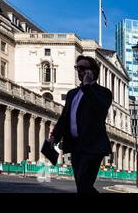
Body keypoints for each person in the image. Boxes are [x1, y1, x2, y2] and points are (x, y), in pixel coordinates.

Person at [48, 55, 113, 194]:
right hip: (75, 146)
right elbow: (64, 118)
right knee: (82, 186)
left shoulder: (104, 92)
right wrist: (54, 136)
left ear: (93, 71)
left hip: (93, 146)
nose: (79, 71)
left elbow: (100, 110)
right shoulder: (72, 93)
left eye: (83, 68)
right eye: (77, 68)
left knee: (84, 182)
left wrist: (88, 86)